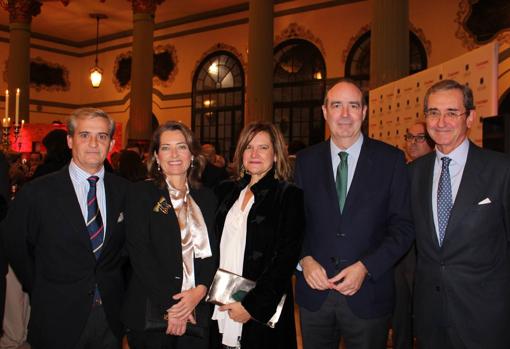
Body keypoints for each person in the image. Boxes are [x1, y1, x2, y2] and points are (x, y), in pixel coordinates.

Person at [294, 79, 414, 349]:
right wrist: (305, 258)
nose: (345, 115)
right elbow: (294, 223)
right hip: (315, 297)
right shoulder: (305, 161)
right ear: (325, 112)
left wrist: (366, 267)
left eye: (353, 106)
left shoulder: (391, 160)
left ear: (364, 112)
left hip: (369, 295)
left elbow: (403, 227)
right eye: (337, 106)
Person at [1, 108, 129, 348]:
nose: (93, 143)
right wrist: (40, 284)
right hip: (56, 316)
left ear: (111, 143)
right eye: (84, 135)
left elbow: (127, 249)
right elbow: (15, 244)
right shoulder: (38, 192)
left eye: (102, 136)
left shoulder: (125, 191)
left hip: (110, 319)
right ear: (70, 140)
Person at [410, 79, 510, 349]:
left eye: (452, 112)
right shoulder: (413, 173)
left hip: (486, 319)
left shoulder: (501, 170)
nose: (441, 122)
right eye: (433, 112)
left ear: (470, 117)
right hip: (431, 318)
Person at [122, 121, 217, 349]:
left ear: (192, 154)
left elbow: (212, 252)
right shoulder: (140, 194)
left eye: (181, 147)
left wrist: (200, 291)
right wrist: (175, 306)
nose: (174, 154)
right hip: (152, 307)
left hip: (197, 307)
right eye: (166, 147)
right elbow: (140, 254)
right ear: (156, 156)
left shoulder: (207, 197)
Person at [212, 121, 304, 349]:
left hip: (260, 307)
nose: (254, 153)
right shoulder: (224, 191)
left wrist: (251, 306)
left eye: (263, 147)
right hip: (219, 300)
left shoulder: (288, 195)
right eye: (248, 147)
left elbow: (285, 258)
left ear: (275, 155)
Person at [390, 122, 434, 349]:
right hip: (400, 257)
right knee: (400, 317)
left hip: (427, 257)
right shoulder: (398, 171)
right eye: (410, 137)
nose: (413, 142)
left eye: (420, 138)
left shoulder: (437, 174)